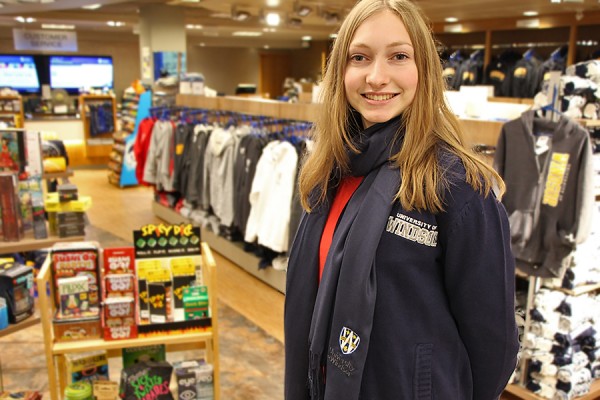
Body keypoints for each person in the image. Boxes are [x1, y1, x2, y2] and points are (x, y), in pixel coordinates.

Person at [283, 1, 520, 399]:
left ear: (423, 69)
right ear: (340, 71)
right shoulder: (328, 173)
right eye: (360, 57)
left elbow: (494, 344)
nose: (377, 76)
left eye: (398, 56)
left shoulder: (459, 186)